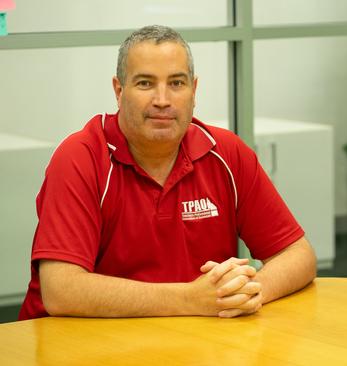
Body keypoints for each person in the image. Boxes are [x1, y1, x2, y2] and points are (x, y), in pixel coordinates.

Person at [19, 25, 316, 320]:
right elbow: (61, 290)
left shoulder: (226, 153)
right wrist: (190, 300)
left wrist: (244, 293)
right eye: (145, 83)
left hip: (190, 340)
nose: (162, 100)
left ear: (194, 90)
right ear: (119, 91)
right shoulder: (80, 157)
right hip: (74, 346)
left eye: (176, 83)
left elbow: (298, 255)